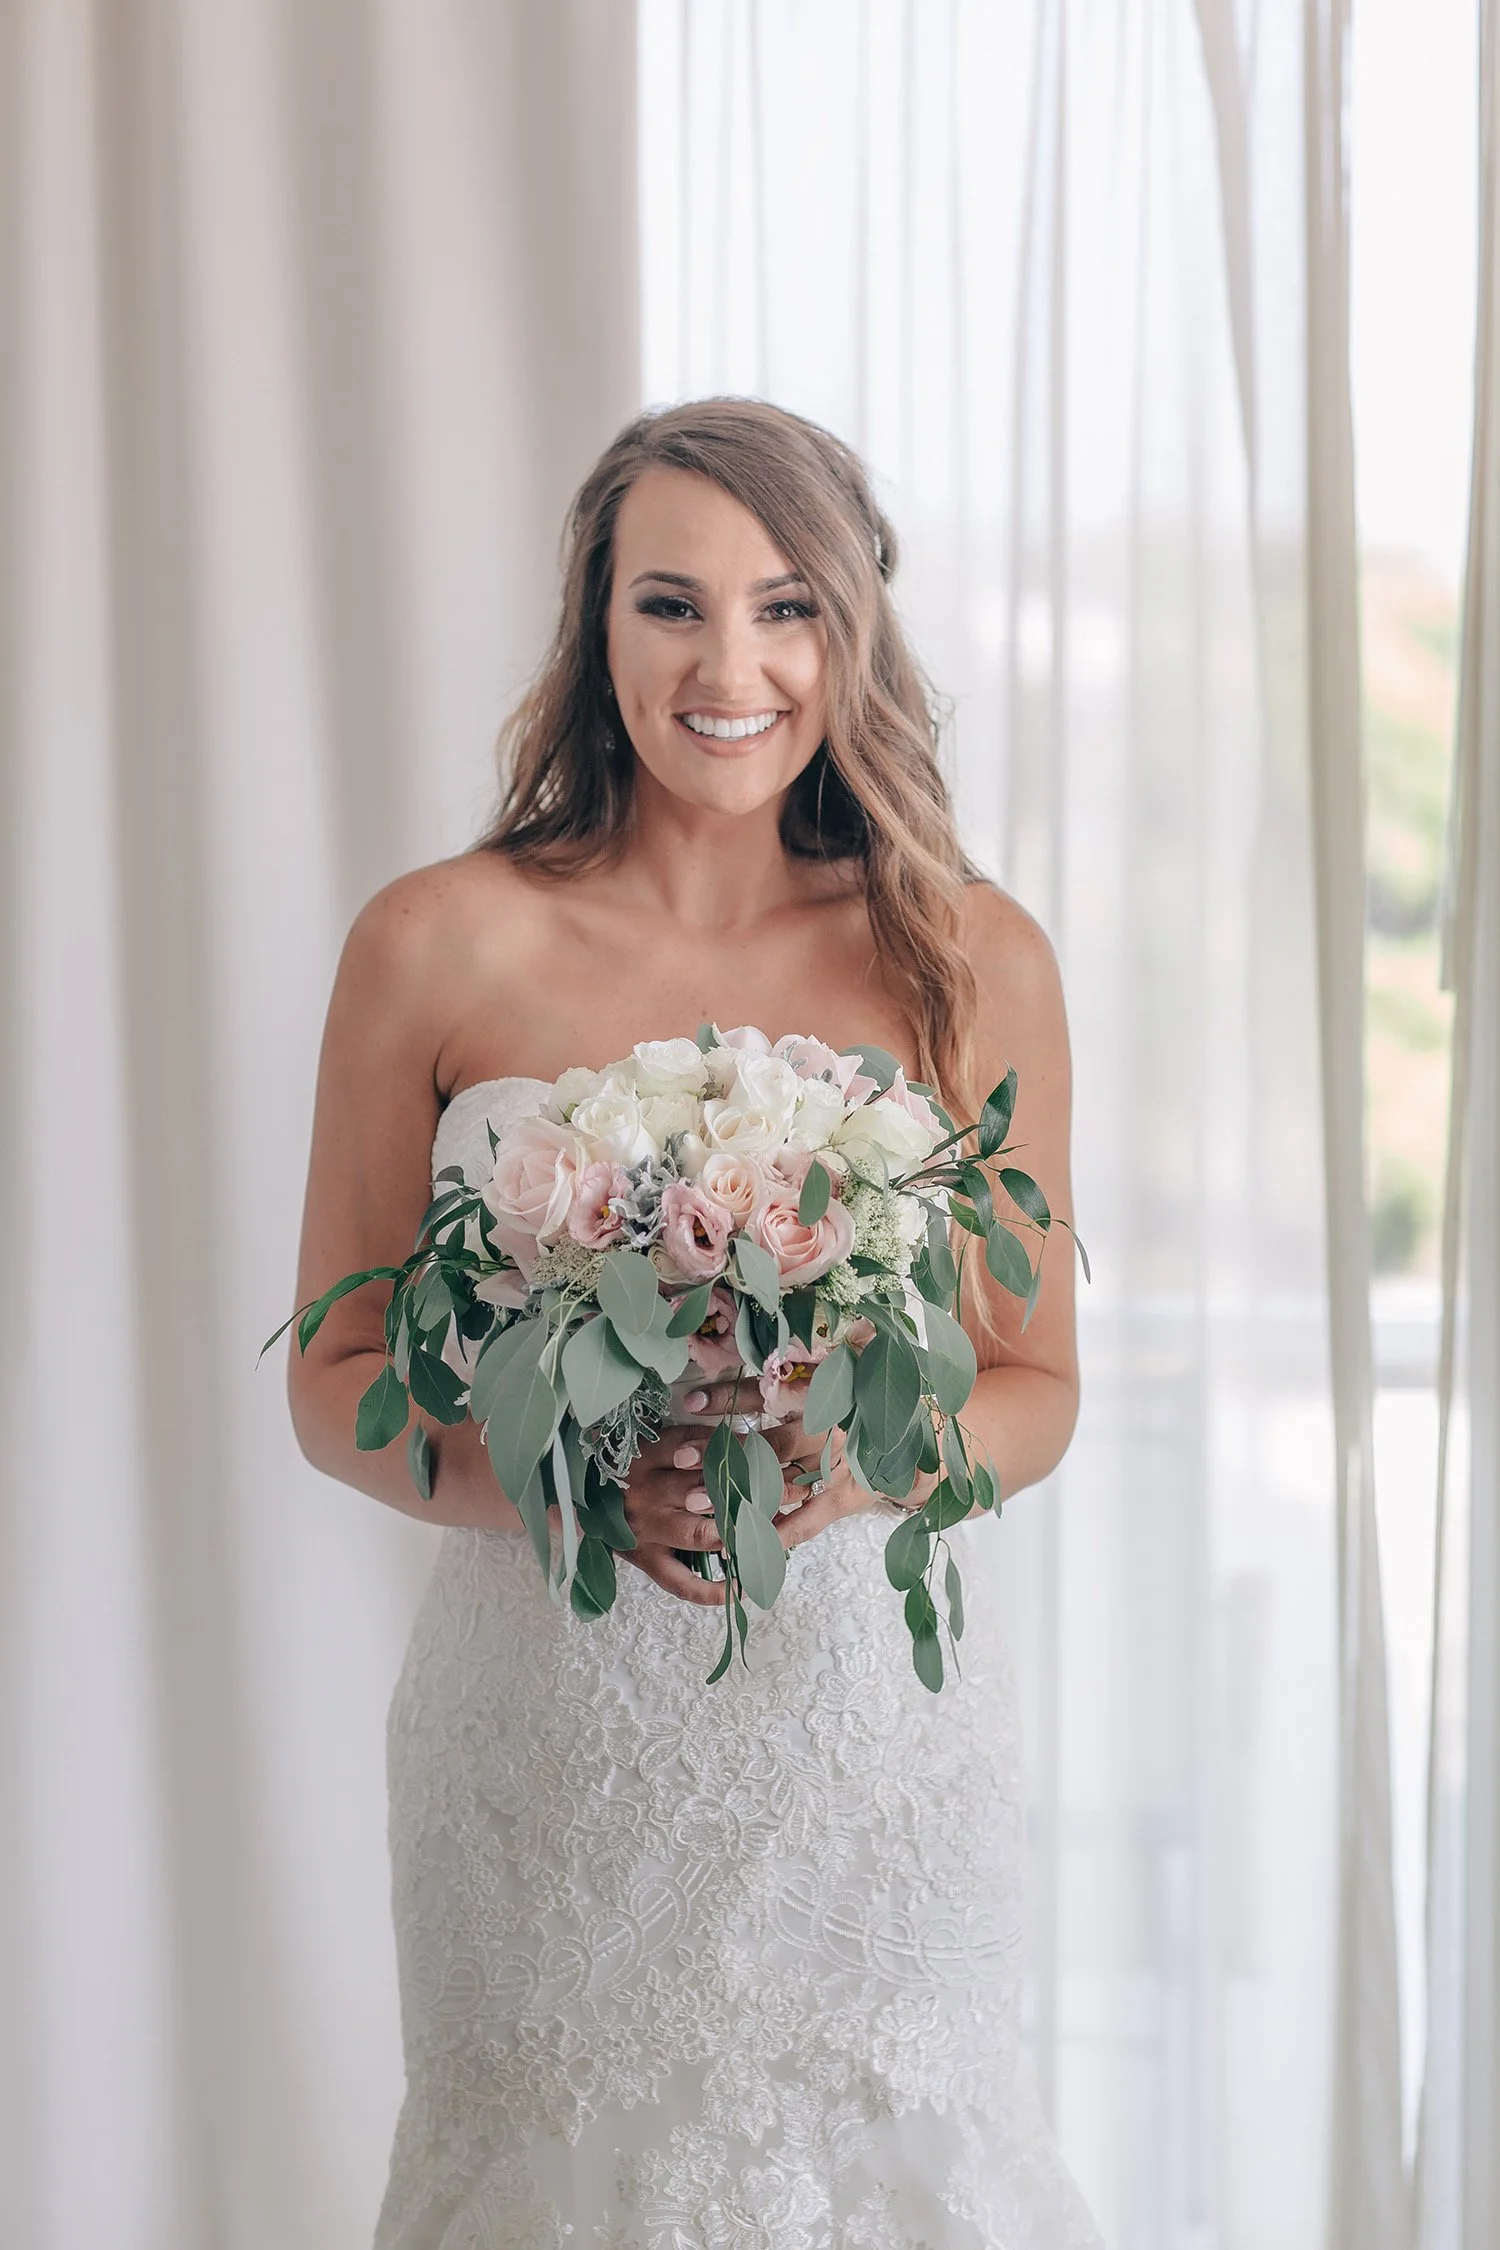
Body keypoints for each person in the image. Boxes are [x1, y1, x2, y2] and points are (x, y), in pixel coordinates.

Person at [288, 397, 1102, 2247]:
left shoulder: (971, 959)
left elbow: (1042, 1383)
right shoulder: (434, 941)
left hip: (871, 1770)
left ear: (854, 633)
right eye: (670, 605)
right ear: (596, 629)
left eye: (786, 605)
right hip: (544, 1761)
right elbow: (332, 1380)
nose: (728, 665)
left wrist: (885, 1451)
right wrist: (552, 1483)